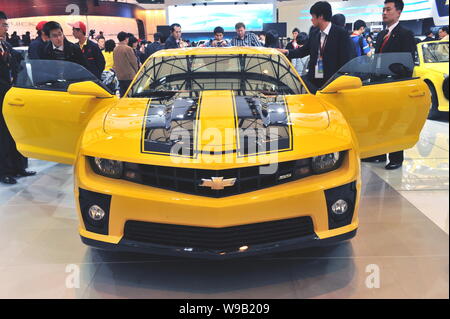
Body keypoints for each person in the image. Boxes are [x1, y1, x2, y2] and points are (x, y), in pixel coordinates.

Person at [364, 0, 416, 170]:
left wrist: (394, 73)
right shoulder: (380, 35)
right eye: (383, 9)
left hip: (394, 85)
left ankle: (396, 157)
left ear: (398, 12)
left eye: (388, 9)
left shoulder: (405, 34)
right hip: (378, 84)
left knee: (394, 121)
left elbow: (407, 63)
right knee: (378, 120)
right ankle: (379, 153)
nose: (384, 13)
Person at [278, 1, 355, 93]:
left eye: (313, 16)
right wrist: (286, 52)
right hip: (314, 80)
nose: (311, 19)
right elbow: (303, 51)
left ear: (321, 16)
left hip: (332, 84)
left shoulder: (340, 34)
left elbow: (346, 61)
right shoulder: (315, 34)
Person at [0, 11, 35, 185]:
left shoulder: (6, 45)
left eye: (6, 25)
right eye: (3, 24)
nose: (6, 28)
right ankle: (5, 171)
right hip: (1, 97)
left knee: (15, 132)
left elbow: (16, 66)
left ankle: (19, 167)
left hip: (12, 97)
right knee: (3, 135)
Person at [113, 31, 139, 97]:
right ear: (126, 39)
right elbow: (134, 62)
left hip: (120, 76)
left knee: (123, 94)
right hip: (130, 76)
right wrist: (137, 72)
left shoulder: (115, 49)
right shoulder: (128, 49)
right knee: (131, 95)